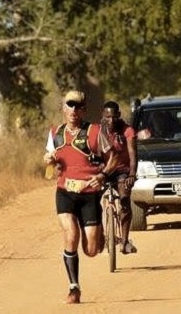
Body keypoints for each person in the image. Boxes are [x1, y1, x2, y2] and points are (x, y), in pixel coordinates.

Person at [43, 90, 117, 304]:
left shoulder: (95, 131)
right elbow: (50, 161)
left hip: (90, 193)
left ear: (84, 110)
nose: (74, 110)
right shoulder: (55, 133)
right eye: (70, 105)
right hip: (65, 191)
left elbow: (112, 157)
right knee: (70, 234)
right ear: (63, 108)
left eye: (78, 106)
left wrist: (102, 177)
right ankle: (74, 287)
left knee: (91, 250)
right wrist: (49, 161)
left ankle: (100, 231)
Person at [100, 101, 139, 254]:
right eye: (107, 117)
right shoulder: (99, 130)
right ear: (103, 116)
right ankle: (101, 236)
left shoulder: (127, 130)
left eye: (114, 117)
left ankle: (124, 241)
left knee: (124, 201)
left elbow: (133, 154)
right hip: (103, 171)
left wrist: (132, 174)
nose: (111, 120)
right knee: (91, 201)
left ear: (119, 116)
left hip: (122, 171)